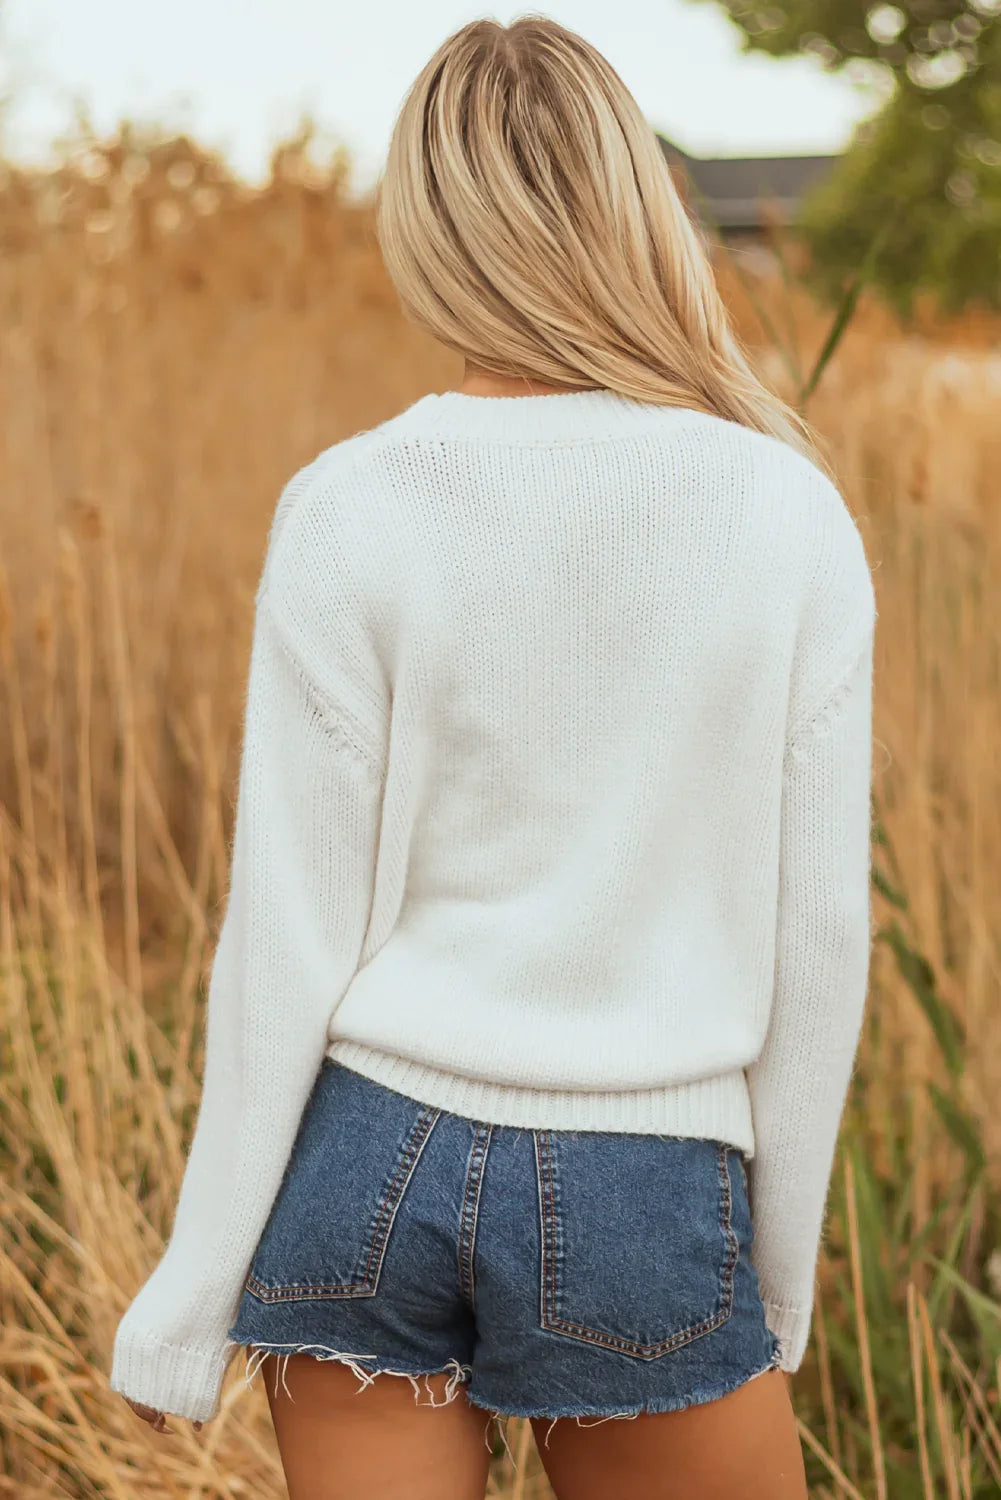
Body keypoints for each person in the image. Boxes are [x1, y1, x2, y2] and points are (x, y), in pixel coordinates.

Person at [109, 15, 877, 1500]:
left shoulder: (348, 504)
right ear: (633, 202)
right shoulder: (780, 512)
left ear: (428, 222)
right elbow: (817, 940)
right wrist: (771, 1285)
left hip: (360, 1161)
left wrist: (192, 1295)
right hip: (647, 1182)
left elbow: (285, 931)